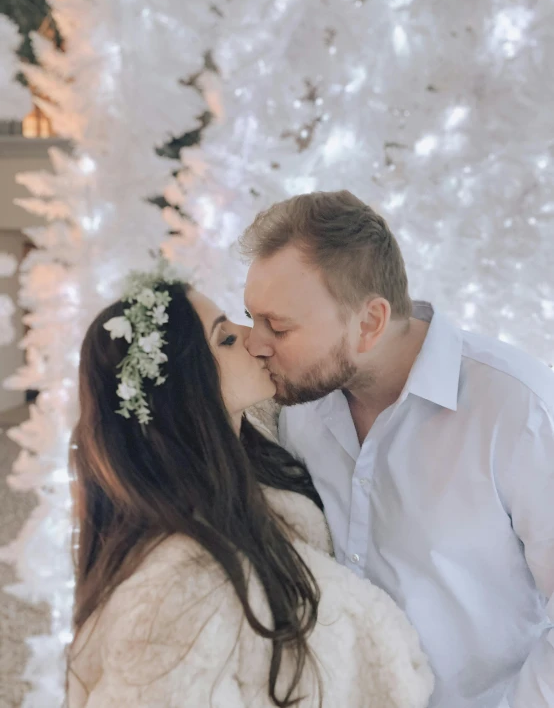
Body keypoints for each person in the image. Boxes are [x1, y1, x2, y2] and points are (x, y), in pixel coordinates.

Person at [241, 190, 554, 708]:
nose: (257, 342)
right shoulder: (292, 408)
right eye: (251, 317)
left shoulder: (518, 409)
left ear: (370, 322)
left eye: (278, 326)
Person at [66, 267, 433, 708]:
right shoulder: (174, 592)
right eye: (225, 338)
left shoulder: (263, 463)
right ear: (186, 389)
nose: (255, 340)